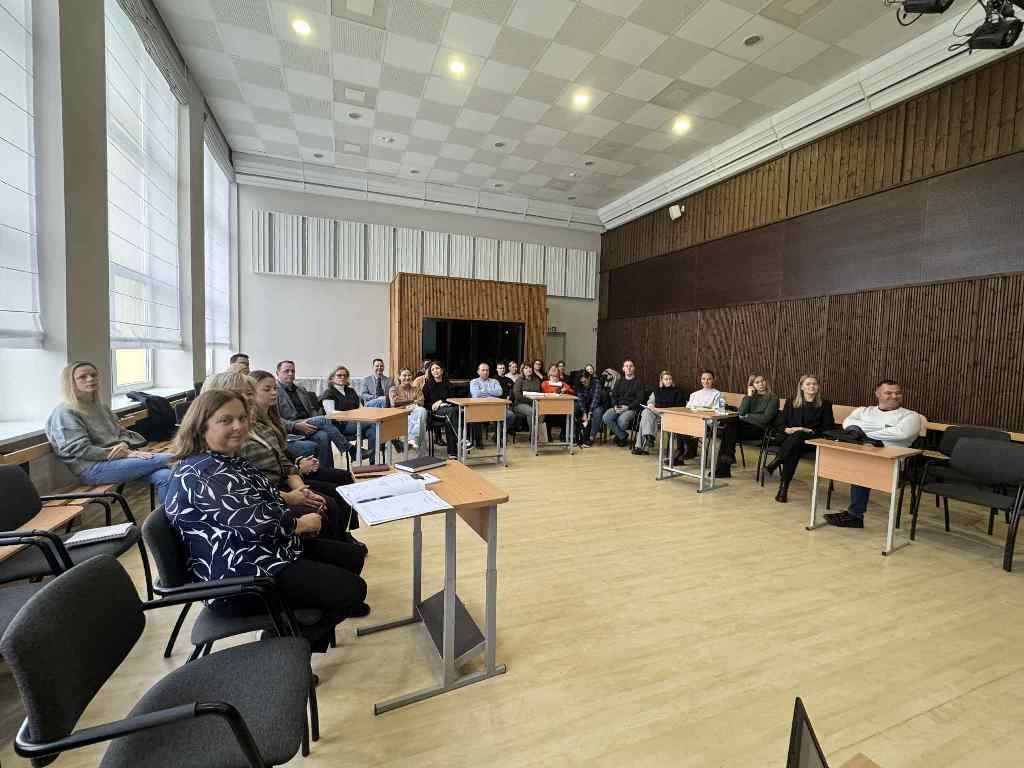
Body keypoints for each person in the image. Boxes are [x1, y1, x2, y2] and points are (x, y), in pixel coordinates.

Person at [164, 388, 368, 654]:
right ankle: (280, 649)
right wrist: (300, 525)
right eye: (226, 420)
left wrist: (293, 505)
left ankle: (296, 624)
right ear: (201, 426)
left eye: (242, 418)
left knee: (351, 556)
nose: (238, 426)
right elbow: (253, 523)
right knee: (352, 590)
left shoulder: (225, 460)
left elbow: (262, 501)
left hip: (263, 551)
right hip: (241, 577)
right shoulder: (204, 473)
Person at [208, 370, 365, 550]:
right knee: (327, 501)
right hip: (271, 495)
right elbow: (247, 491)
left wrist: (300, 485)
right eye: (265, 389)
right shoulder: (229, 442)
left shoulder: (263, 421)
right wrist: (292, 491)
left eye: (251, 394)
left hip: (281, 481)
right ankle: (339, 546)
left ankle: (345, 538)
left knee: (339, 480)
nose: (273, 393)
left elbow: (280, 456)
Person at [45, 361, 174, 503]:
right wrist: (124, 453)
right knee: (174, 458)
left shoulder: (101, 407)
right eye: (82, 377)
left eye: (93, 375)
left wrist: (124, 445)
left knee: (166, 476)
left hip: (118, 460)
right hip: (92, 469)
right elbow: (79, 449)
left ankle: (170, 516)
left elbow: (121, 433)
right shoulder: (65, 412)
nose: (90, 379)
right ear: (70, 383)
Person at [826, 380, 922, 528]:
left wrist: (862, 434)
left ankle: (855, 516)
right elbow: (848, 424)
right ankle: (853, 514)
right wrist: (884, 428)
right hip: (861, 455)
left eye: (898, 393)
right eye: (888, 393)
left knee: (862, 463)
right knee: (848, 458)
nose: (894, 396)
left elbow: (901, 433)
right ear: (877, 394)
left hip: (892, 462)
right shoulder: (863, 411)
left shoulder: (911, 416)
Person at [763, 374, 835, 504]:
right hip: (791, 439)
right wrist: (786, 429)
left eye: (814, 384)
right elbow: (780, 422)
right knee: (795, 446)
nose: (812, 386)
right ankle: (782, 487)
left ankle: (779, 471)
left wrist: (809, 431)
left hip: (812, 441)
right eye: (808, 384)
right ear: (801, 387)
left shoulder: (825, 405)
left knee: (798, 437)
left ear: (818, 387)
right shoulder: (791, 402)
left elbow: (828, 428)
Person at [275, 360, 353, 467]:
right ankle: (349, 449)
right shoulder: (274, 391)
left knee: (323, 435)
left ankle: (327, 471)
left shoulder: (301, 389)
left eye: (293, 371)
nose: (290, 374)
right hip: (292, 427)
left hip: (309, 423)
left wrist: (316, 422)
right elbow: (275, 418)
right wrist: (295, 425)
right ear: (277, 373)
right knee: (324, 419)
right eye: (286, 371)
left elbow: (312, 410)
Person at [717, 374, 780, 470]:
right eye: (757, 382)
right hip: (742, 427)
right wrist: (749, 396)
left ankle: (723, 467)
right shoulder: (750, 397)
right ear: (752, 385)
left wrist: (747, 416)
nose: (761, 384)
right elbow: (741, 412)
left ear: (766, 382)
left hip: (759, 429)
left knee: (728, 431)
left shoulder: (773, 397)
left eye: (762, 381)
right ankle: (728, 457)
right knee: (729, 428)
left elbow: (765, 418)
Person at [318, 365, 376, 461]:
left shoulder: (351, 391)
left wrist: (360, 414)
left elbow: (360, 408)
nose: (342, 377)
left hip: (357, 422)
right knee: (375, 422)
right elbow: (331, 413)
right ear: (332, 378)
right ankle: (358, 453)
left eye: (345, 376)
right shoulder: (329, 393)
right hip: (340, 425)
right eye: (339, 375)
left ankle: (372, 462)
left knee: (373, 430)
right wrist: (350, 415)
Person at [632, 370, 685, 455]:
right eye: (666, 379)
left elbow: (680, 406)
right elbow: (650, 401)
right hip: (657, 413)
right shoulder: (657, 390)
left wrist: (662, 410)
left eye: (670, 379)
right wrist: (650, 405)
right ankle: (649, 438)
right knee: (646, 412)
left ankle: (641, 445)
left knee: (644, 419)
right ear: (662, 380)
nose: (668, 381)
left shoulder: (677, 391)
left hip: (669, 415)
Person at [602, 359, 644, 447]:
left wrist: (628, 407)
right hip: (618, 406)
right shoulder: (619, 381)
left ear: (634, 368)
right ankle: (622, 436)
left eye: (631, 366)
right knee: (606, 417)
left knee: (622, 420)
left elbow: (639, 399)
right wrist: (615, 406)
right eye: (626, 366)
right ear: (623, 369)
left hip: (631, 408)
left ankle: (618, 436)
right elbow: (613, 396)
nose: (628, 368)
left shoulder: (638, 382)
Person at [422, 361, 460, 458]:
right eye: (433, 369)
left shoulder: (448, 383)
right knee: (452, 412)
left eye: (437, 368)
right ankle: (461, 439)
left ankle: (452, 453)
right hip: (435, 413)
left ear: (442, 370)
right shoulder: (427, 385)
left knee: (449, 419)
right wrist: (433, 405)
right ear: (431, 372)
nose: (435, 371)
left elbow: (453, 398)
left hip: (448, 411)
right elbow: (424, 403)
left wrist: (441, 401)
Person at [469, 362, 513, 445]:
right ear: (478, 372)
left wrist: (483, 392)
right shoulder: (474, 382)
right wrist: (492, 393)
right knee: (475, 416)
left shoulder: (494, 381)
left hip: (494, 407)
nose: (485, 372)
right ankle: (478, 441)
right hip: (479, 408)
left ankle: (497, 436)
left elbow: (499, 392)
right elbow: (476, 394)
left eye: (487, 370)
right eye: (483, 370)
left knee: (510, 415)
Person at [389, 368, 427, 452]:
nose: (407, 377)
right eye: (404, 375)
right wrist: (413, 402)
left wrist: (405, 404)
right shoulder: (393, 389)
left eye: (409, 375)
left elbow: (421, 402)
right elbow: (395, 402)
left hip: (415, 415)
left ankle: (412, 441)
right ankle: (417, 446)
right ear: (399, 377)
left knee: (422, 411)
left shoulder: (416, 389)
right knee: (421, 417)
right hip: (399, 417)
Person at [540, 364, 575, 441]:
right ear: (549, 373)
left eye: (556, 370)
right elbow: (547, 391)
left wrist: (566, 390)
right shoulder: (545, 383)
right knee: (548, 415)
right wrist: (558, 391)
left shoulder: (562, 383)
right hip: (549, 406)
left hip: (561, 407)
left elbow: (572, 391)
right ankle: (548, 435)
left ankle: (563, 435)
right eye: (552, 370)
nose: (554, 372)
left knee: (566, 415)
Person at [575, 369, 607, 446]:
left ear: (589, 377)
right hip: (585, 404)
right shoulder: (579, 384)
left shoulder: (596, 382)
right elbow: (580, 399)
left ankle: (591, 437)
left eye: (585, 381)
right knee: (575, 408)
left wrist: (590, 412)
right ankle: (577, 435)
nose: (583, 383)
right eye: (582, 382)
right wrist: (584, 412)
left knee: (598, 412)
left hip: (597, 404)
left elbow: (596, 399)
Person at [512, 364, 543, 437]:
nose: (528, 369)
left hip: (534, 403)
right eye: (526, 368)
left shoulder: (536, 380)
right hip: (520, 404)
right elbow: (517, 395)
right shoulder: (519, 380)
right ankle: (534, 436)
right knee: (531, 411)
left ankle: (541, 434)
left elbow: (540, 393)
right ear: (522, 370)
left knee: (542, 411)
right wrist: (530, 400)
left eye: (530, 368)